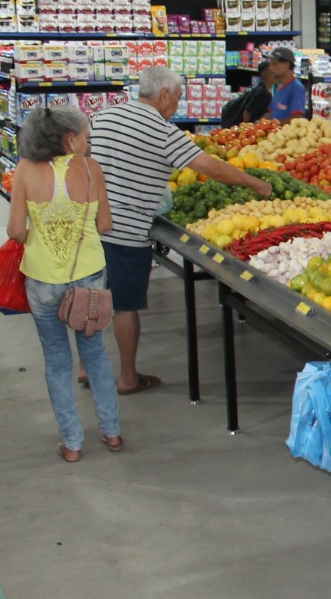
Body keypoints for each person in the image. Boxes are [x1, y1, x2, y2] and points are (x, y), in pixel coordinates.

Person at [89, 66, 271, 393]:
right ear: (164, 95)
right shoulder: (162, 131)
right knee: (125, 306)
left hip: (91, 225)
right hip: (126, 229)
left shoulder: (104, 117)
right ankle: (128, 377)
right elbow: (210, 167)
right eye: (177, 97)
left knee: (89, 297)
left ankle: (86, 370)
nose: (177, 104)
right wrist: (255, 183)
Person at [6, 102, 121, 462]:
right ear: (70, 139)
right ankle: (112, 431)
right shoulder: (90, 168)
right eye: (86, 136)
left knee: (56, 360)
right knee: (95, 354)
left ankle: (72, 442)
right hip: (88, 277)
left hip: (42, 279)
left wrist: (41, 238)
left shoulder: (25, 169)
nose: (89, 142)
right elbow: (105, 225)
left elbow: (15, 230)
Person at [219, 63, 271, 129]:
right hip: (239, 128)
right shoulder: (261, 91)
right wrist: (247, 129)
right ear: (267, 73)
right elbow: (247, 112)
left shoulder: (264, 90)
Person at [263, 47, 306, 121]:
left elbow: (297, 118)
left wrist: (275, 125)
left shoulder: (296, 88)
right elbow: (271, 113)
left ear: (287, 64)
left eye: (274, 64)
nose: (270, 68)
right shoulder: (278, 87)